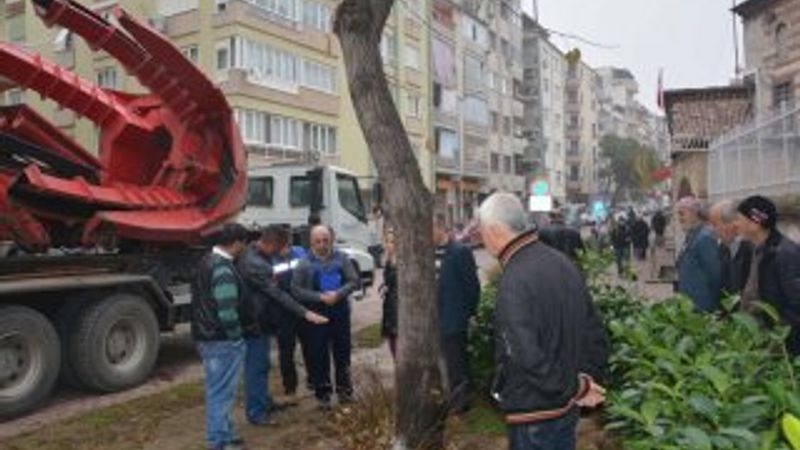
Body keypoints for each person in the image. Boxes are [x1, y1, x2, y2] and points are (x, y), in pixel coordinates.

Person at [477, 193, 608, 450]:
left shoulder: (514, 278)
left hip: (535, 415)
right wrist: (585, 379)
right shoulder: (563, 262)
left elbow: (525, 356)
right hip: (564, 410)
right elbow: (594, 334)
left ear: (494, 230)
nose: (481, 239)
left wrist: (576, 386)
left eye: (481, 231)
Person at [238, 226, 328, 426]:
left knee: (262, 365)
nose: (283, 251)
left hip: (262, 320)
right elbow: (277, 294)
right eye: (281, 247)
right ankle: (257, 413)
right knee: (256, 367)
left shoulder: (254, 252)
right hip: (255, 323)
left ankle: (264, 402)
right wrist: (306, 313)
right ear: (272, 244)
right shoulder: (256, 264)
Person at [191, 223, 250, 450]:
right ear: (236, 243)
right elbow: (226, 310)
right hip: (222, 340)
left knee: (218, 390)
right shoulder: (223, 268)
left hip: (207, 337)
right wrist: (236, 337)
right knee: (221, 394)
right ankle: (219, 442)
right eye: (243, 244)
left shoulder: (206, 261)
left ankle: (225, 433)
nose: (243, 249)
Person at [292, 225, 361, 409]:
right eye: (318, 241)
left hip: (340, 312)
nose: (322, 245)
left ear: (331, 239)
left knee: (342, 353)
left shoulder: (342, 258)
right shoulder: (304, 264)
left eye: (326, 240)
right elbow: (296, 290)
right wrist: (319, 297)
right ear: (311, 242)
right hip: (317, 314)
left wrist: (338, 294)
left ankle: (345, 391)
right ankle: (323, 394)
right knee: (318, 354)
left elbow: (354, 280)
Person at [735, 195, 800, 353]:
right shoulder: (751, 249)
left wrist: (776, 340)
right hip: (758, 339)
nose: (736, 224)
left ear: (755, 222)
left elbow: (796, 305)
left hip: (781, 347)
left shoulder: (785, 253)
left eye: (740, 218)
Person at [434, 214, 480, 413]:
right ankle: (450, 396)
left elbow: (472, 287)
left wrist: (467, 314)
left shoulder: (460, 252)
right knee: (444, 362)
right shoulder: (428, 253)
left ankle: (462, 403)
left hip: (454, 318)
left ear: (440, 227)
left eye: (429, 229)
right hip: (434, 318)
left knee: (457, 362)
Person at [270, 226, 312, 402]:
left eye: (287, 238)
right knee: (286, 352)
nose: (286, 243)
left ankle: (314, 381)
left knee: (310, 347)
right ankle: (290, 388)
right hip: (283, 312)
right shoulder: (270, 259)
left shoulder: (300, 252)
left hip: (303, 308)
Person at [675, 197, 722, 312]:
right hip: (689, 304)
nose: (679, 218)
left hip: (702, 306)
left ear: (694, 213)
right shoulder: (691, 235)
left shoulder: (704, 237)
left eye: (682, 213)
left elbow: (715, 274)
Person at [709, 200, 753, 297]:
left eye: (715, 224)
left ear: (731, 225)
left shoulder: (751, 251)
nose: (711, 230)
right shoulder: (722, 248)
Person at [379, 226, 399, 359]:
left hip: (398, 306)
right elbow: (387, 281)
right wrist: (383, 287)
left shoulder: (402, 262)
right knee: (391, 340)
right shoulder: (388, 261)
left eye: (392, 242)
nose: (389, 245)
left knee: (398, 339)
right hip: (389, 305)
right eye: (387, 241)